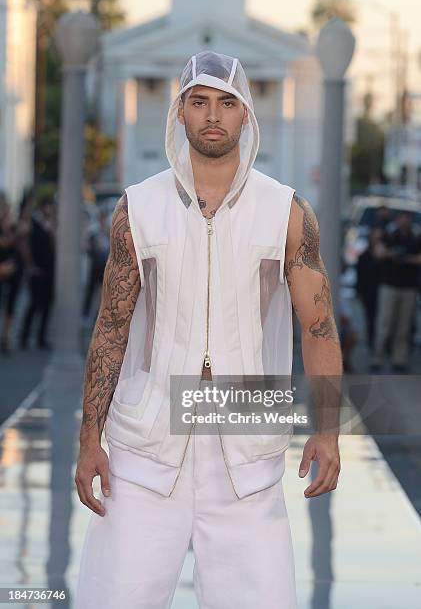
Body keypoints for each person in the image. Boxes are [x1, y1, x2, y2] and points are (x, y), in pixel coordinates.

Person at [75, 51, 342, 608]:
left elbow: (317, 325)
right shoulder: (138, 207)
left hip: (246, 442)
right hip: (146, 445)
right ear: (180, 112)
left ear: (246, 115)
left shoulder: (286, 211)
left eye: (226, 103)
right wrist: (87, 439)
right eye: (199, 102)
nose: (212, 115)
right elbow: (111, 327)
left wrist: (328, 430)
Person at [371, 211, 421, 371]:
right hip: (389, 285)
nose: (403, 222)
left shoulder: (415, 238)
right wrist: (391, 253)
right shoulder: (389, 236)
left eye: (406, 219)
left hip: (408, 287)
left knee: (403, 325)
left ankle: (399, 358)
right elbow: (378, 253)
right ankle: (377, 357)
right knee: (384, 322)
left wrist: (406, 258)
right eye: (401, 218)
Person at [19, 196, 56, 350]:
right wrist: (30, 266)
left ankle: (41, 337)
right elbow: (24, 244)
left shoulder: (52, 225)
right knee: (34, 304)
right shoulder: (33, 224)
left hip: (49, 269)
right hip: (37, 269)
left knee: (47, 304)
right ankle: (24, 337)